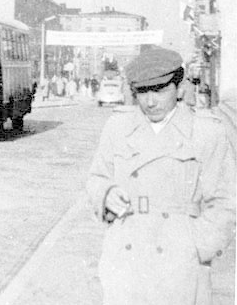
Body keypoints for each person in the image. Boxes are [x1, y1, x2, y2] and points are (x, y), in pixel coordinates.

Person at [86, 46, 235, 304]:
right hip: (126, 260)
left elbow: (225, 203)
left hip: (180, 266)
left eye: (160, 90)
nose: (150, 101)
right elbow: (97, 178)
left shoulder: (206, 132)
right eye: (143, 91)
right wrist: (106, 195)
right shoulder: (118, 127)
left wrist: (196, 248)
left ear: (179, 88)